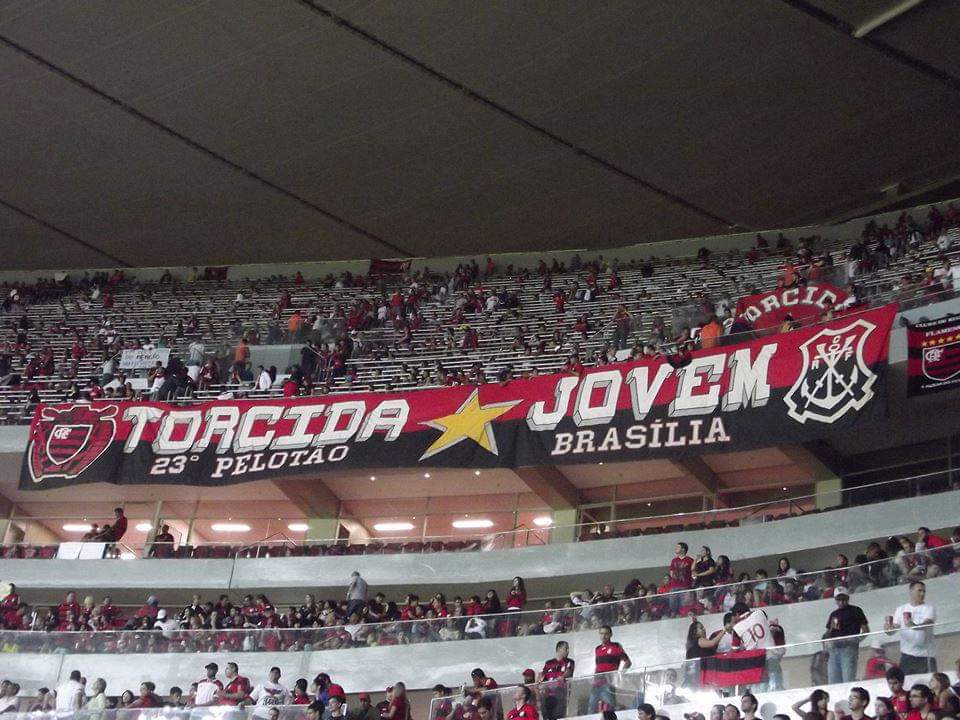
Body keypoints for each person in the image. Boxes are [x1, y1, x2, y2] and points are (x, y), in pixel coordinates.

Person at [886, 581, 937, 673]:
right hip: (907, 655)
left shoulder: (929, 608)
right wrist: (887, 628)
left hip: (926, 655)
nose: (922, 594)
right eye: (919, 591)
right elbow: (892, 630)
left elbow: (927, 624)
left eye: (924, 591)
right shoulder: (900, 609)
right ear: (911, 591)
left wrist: (913, 626)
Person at [825, 587, 869, 683]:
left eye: (843, 599)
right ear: (835, 600)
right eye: (838, 600)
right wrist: (827, 646)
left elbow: (866, 630)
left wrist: (853, 640)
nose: (841, 602)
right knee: (833, 681)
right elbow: (833, 631)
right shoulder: (835, 614)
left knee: (848, 680)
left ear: (848, 598)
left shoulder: (856, 611)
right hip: (834, 649)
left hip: (849, 649)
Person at [590, 625, 631, 712]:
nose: (603, 636)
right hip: (596, 682)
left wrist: (619, 674)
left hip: (608, 682)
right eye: (601, 633)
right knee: (591, 708)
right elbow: (597, 666)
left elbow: (627, 662)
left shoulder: (616, 646)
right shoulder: (597, 648)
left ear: (611, 634)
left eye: (606, 634)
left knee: (610, 707)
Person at [540, 640, 575, 720]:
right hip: (547, 695)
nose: (568, 651)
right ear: (559, 649)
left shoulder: (570, 662)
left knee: (558, 716)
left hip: (561, 695)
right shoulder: (549, 662)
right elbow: (543, 677)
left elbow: (568, 673)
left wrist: (561, 677)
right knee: (546, 716)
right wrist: (541, 682)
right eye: (566, 649)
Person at [685, 620, 726, 687]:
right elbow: (713, 643)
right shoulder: (699, 640)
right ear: (695, 632)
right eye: (701, 628)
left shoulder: (692, 645)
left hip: (698, 678)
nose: (704, 629)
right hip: (701, 676)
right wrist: (724, 631)